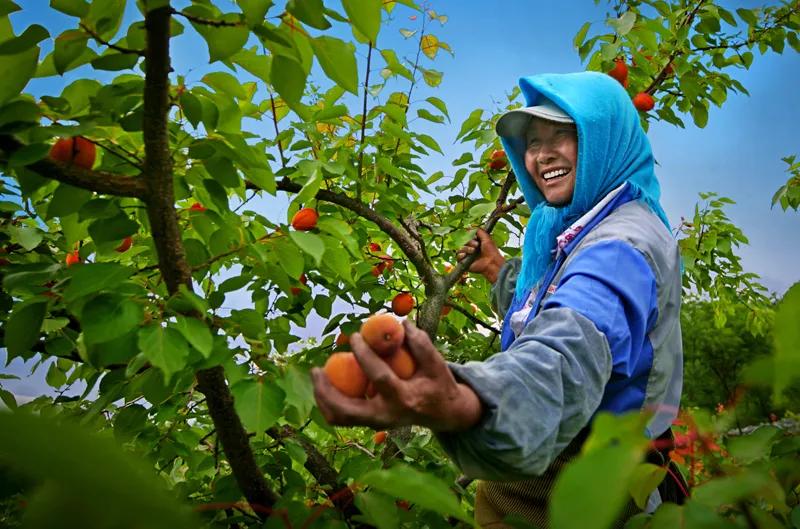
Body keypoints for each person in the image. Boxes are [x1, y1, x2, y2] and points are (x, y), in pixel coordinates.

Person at [311, 71, 684, 528]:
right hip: (552, 481)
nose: (541, 154)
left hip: (582, 492)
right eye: (531, 141)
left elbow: (568, 349)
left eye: (562, 135)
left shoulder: (619, 248)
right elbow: (552, 306)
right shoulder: (579, 233)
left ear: (605, 136)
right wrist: (498, 270)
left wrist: (466, 401)